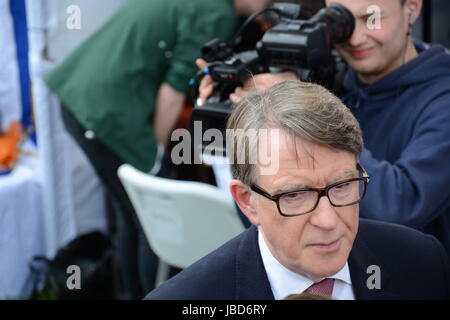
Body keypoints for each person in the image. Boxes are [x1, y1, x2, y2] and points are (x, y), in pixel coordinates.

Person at [45, 0, 273, 299]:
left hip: (78, 97)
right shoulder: (217, 12)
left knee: (129, 214)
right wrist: (157, 155)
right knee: (151, 218)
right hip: (103, 111)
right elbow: (173, 90)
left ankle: (131, 293)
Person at [145, 81, 450, 300]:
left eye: (342, 186)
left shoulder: (421, 261)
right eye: (295, 195)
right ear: (247, 201)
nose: (329, 221)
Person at [197, 0, 450, 254]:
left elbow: (401, 207)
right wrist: (240, 109)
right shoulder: (331, 75)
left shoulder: (441, 98)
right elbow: (264, 213)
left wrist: (302, 110)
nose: (356, 38)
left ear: (413, 8)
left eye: (372, 19)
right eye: (343, 22)